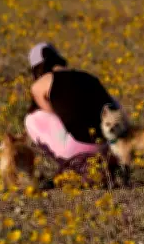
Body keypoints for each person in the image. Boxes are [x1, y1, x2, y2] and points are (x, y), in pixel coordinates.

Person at [23, 42, 122, 177]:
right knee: (111, 102)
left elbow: (53, 116)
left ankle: (76, 164)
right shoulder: (89, 77)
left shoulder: (39, 85)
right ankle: (114, 161)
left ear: (37, 69)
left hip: (80, 149)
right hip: (112, 148)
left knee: (32, 118)